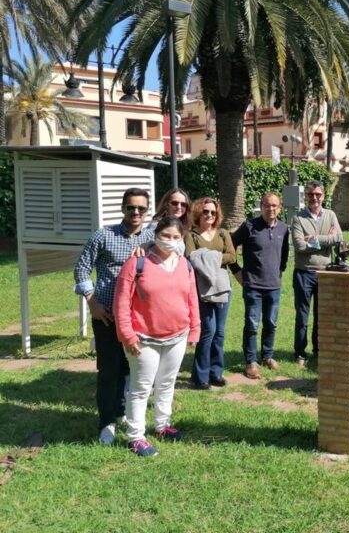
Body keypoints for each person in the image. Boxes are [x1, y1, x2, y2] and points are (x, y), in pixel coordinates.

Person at [73, 187, 155, 445]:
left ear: (147, 211)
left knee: (135, 369)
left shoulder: (152, 237)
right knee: (109, 371)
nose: (135, 212)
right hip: (107, 314)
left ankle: (127, 415)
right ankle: (106, 422)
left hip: (138, 317)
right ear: (123, 208)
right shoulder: (103, 236)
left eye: (141, 208)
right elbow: (81, 269)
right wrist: (91, 300)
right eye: (131, 207)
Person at [114, 217, 200, 457]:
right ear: (156, 235)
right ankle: (136, 437)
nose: (170, 241)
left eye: (176, 237)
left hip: (177, 336)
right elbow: (121, 303)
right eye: (166, 236)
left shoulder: (184, 264)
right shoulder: (137, 263)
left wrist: (194, 329)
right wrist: (127, 335)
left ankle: (162, 426)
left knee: (167, 383)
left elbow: (192, 297)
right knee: (141, 388)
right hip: (143, 339)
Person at [230, 192, 290, 378]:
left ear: (279, 208)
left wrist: (278, 273)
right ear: (261, 206)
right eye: (267, 205)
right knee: (252, 325)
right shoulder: (249, 226)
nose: (270, 209)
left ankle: (267, 356)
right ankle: (251, 362)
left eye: (274, 205)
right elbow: (229, 247)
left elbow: (285, 254)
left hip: (274, 285)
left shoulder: (283, 229)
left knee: (271, 324)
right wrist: (237, 272)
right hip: (253, 286)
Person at [184, 197, 236, 389]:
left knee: (220, 333)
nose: (209, 215)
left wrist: (206, 256)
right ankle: (200, 376)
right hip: (202, 288)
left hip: (222, 288)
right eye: (206, 211)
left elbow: (232, 256)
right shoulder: (191, 236)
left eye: (213, 212)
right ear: (199, 212)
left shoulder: (222, 233)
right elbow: (190, 258)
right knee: (208, 331)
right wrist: (216, 258)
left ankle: (216, 373)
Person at [291, 180, 342, 367]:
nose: (314, 198)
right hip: (304, 274)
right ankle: (300, 353)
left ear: (323, 196)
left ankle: (318, 350)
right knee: (302, 317)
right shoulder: (298, 218)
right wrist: (325, 240)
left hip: (326, 274)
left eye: (318, 194)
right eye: (311, 194)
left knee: (322, 315)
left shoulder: (330, 215)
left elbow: (338, 238)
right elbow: (299, 245)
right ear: (306, 196)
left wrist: (315, 239)